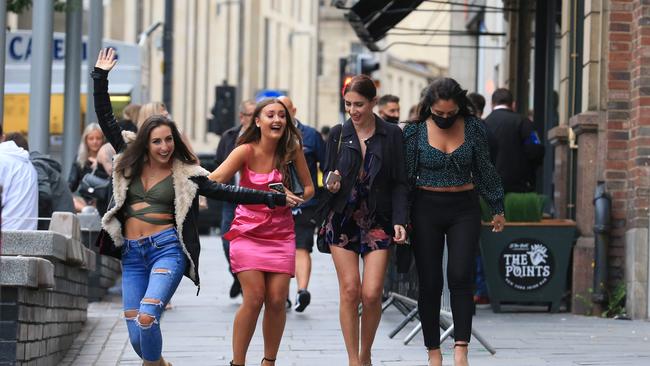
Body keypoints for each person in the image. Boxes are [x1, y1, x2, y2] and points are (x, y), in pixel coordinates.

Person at [92, 48, 286, 366]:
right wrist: (101, 77)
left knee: (147, 317)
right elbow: (106, 118)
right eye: (157, 142)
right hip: (132, 255)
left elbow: (227, 191)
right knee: (137, 339)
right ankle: (159, 363)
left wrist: (270, 197)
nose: (165, 147)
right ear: (145, 143)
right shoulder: (129, 155)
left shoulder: (186, 173)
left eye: (169, 140)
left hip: (166, 250)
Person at [403, 77, 505, 366]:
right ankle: (433, 353)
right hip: (425, 207)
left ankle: (461, 348)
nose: (445, 118)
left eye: (450, 113)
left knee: (461, 276)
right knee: (430, 281)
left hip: (464, 206)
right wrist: (400, 219)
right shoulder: (414, 132)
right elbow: (406, 179)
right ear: (429, 108)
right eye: (439, 114)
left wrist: (497, 205)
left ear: (460, 106)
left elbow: (485, 168)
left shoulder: (473, 128)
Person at [208, 98, 314, 366]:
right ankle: (238, 362)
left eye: (281, 115)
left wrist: (295, 196)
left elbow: (310, 188)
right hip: (247, 232)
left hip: (281, 234)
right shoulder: (245, 150)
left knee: (277, 300)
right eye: (270, 115)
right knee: (254, 298)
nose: (277, 119)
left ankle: (269, 361)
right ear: (258, 121)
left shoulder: (293, 151)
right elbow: (214, 180)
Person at [321, 75, 408, 366]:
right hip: (342, 218)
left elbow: (400, 182)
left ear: (373, 103)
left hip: (378, 220)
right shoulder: (337, 133)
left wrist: (400, 219)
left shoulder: (392, 134)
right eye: (348, 104)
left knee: (371, 294)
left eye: (359, 104)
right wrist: (330, 183)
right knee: (350, 291)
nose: (353, 111)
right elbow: (328, 171)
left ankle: (366, 351)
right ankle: (353, 360)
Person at [277, 95, 325, 312]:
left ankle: (301, 291)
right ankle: (284, 295)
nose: (281, 117)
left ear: (293, 111)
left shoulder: (311, 136)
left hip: (306, 203)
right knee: (283, 248)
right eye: (276, 113)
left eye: (285, 112)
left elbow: (326, 166)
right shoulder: (271, 136)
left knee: (302, 246)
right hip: (277, 204)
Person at [215, 99, 257, 299]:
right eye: (250, 115)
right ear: (242, 117)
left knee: (254, 245)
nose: (255, 119)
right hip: (231, 197)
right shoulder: (229, 137)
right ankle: (238, 276)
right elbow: (218, 164)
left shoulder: (263, 139)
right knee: (226, 241)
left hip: (256, 200)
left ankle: (249, 281)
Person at [3, 132, 74, 230]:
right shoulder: (40, 163)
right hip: (63, 223)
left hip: (57, 227)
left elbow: (44, 194)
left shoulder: (35, 165)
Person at [484, 88, 544, 193]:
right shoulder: (524, 122)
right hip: (519, 187)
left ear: (492, 105)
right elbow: (536, 148)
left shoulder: (483, 124)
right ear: (513, 104)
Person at [0, 125, 39, 230]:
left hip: (6, 237)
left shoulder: (3, 160)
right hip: (27, 237)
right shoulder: (27, 164)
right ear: (2, 137)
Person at [68, 122, 109, 212]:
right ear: (85, 140)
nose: (95, 142)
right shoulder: (80, 159)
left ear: (103, 140)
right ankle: (87, 210)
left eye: (98, 138)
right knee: (69, 199)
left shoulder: (109, 158)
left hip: (104, 199)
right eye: (91, 138)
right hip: (84, 201)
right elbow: (71, 183)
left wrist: (100, 165)